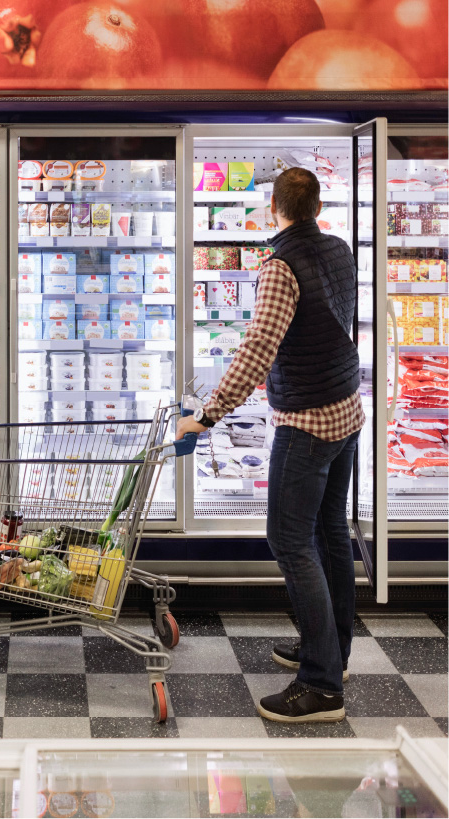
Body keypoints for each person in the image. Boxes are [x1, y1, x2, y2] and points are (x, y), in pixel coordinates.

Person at [177, 167, 364, 723]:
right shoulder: (338, 249)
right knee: (329, 533)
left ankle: (322, 687)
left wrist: (207, 415)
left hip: (306, 421)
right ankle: (331, 651)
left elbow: (260, 346)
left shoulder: (279, 266)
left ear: (273, 208)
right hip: (346, 409)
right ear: (317, 205)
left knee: (288, 539)